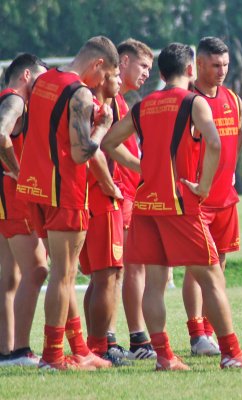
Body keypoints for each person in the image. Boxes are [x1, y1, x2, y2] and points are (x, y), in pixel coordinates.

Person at [102, 42, 242, 371]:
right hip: (180, 203)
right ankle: (232, 353)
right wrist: (204, 185)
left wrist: (142, 169)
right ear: (191, 70)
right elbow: (214, 142)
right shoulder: (194, 102)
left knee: (154, 282)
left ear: (161, 73)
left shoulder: (143, 105)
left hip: (147, 205)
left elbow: (108, 142)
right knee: (211, 277)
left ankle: (165, 357)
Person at [16, 36, 119, 370]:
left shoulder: (44, 79)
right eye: (105, 77)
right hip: (65, 191)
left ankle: (79, 348)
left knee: (64, 272)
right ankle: (52, 356)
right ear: (98, 65)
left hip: (36, 187)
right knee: (63, 275)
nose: (103, 84)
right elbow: (80, 152)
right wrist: (102, 128)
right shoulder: (80, 93)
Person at [181, 36, 242, 357]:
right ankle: (197, 335)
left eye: (226, 65)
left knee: (219, 266)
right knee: (197, 269)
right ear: (199, 65)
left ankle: (209, 327)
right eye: (215, 65)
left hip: (226, 199)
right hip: (198, 201)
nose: (221, 71)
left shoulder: (233, 98)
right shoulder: (188, 101)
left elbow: (236, 139)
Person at [0, 54, 48, 367]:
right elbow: (2, 133)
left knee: (8, 279)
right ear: (26, 75)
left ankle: (6, 353)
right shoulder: (15, 99)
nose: (42, 88)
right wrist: (17, 170)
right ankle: (19, 350)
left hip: (5, 197)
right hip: (12, 196)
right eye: (40, 81)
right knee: (37, 270)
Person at [80, 62, 128, 366]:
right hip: (100, 198)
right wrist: (110, 186)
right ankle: (99, 348)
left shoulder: (89, 103)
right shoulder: (96, 108)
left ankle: (92, 343)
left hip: (86, 198)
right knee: (108, 275)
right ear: (102, 75)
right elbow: (92, 151)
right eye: (116, 75)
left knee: (100, 279)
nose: (120, 81)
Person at [111, 38, 157, 361]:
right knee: (115, 270)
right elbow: (102, 147)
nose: (146, 75)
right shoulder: (109, 100)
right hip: (115, 196)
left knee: (121, 268)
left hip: (128, 195)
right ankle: (125, 341)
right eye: (143, 67)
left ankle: (122, 340)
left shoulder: (123, 102)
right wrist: (144, 169)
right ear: (123, 61)